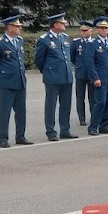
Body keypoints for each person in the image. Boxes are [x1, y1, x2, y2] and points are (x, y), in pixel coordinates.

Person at [0, 14, 31, 147]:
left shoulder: (20, 41)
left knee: (21, 111)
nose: (20, 28)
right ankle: (3, 138)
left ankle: (20, 136)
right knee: (4, 111)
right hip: (5, 82)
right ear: (10, 27)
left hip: (20, 80)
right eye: (17, 26)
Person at [33, 12, 77, 142]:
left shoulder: (64, 37)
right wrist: (47, 72)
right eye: (62, 23)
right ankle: (51, 131)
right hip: (52, 77)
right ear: (56, 24)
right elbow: (39, 60)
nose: (65, 24)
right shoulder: (44, 39)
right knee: (51, 105)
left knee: (65, 105)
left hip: (66, 76)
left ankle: (65, 129)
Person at [78, 18, 108, 135]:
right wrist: (95, 78)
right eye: (102, 28)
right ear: (97, 29)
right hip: (100, 78)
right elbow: (90, 63)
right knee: (100, 103)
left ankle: (104, 125)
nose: (104, 30)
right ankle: (93, 126)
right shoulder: (92, 44)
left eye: (106, 28)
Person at [71, 21, 94, 127]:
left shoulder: (94, 42)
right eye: (82, 31)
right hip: (80, 73)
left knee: (92, 96)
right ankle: (82, 118)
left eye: (86, 30)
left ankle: (94, 116)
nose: (83, 32)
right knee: (80, 97)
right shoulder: (76, 43)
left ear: (91, 31)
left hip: (92, 73)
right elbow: (72, 57)